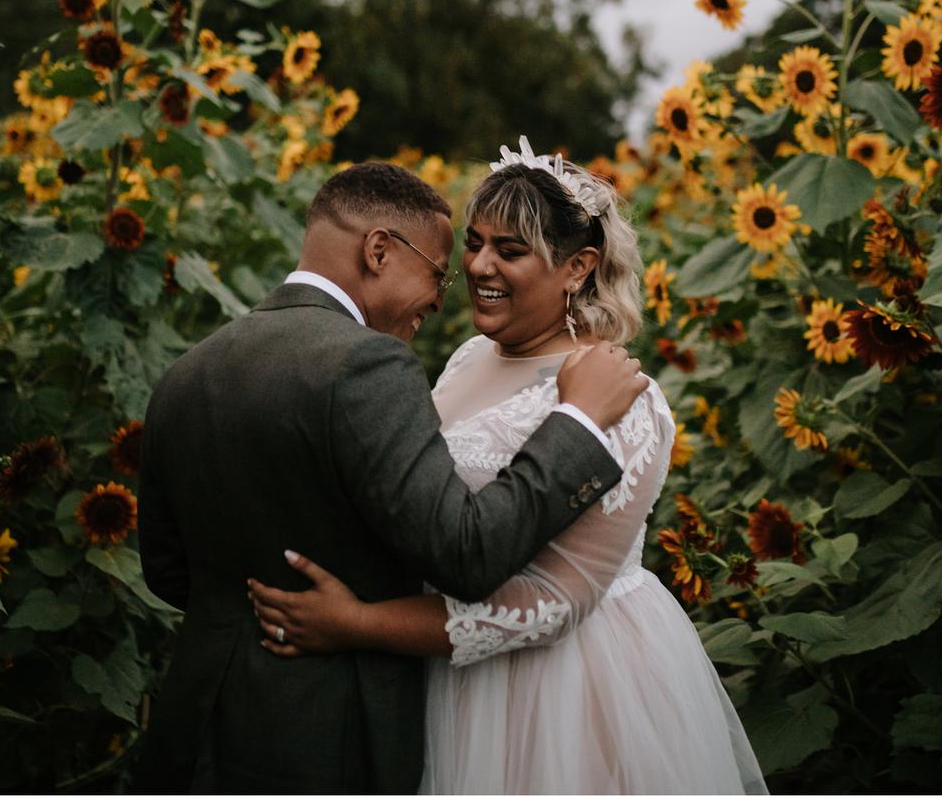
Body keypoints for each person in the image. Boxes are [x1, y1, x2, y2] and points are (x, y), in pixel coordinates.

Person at [248, 139, 768, 794]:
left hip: (562, 688)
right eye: (475, 242)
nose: (478, 265)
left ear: (578, 265)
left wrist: (357, 623)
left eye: (511, 250)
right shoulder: (468, 357)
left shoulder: (622, 400)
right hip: (447, 670)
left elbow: (554, 602)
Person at [135, 160, 648, 793]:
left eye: (506, 250)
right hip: (326, 727)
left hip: (199, 715)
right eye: (444, 268)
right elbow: (464, 549)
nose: (444, 294)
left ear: (579, 266)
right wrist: (577, 425)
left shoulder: (189, 371)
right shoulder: (370, 364)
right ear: (379, 251)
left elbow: (165, 568)